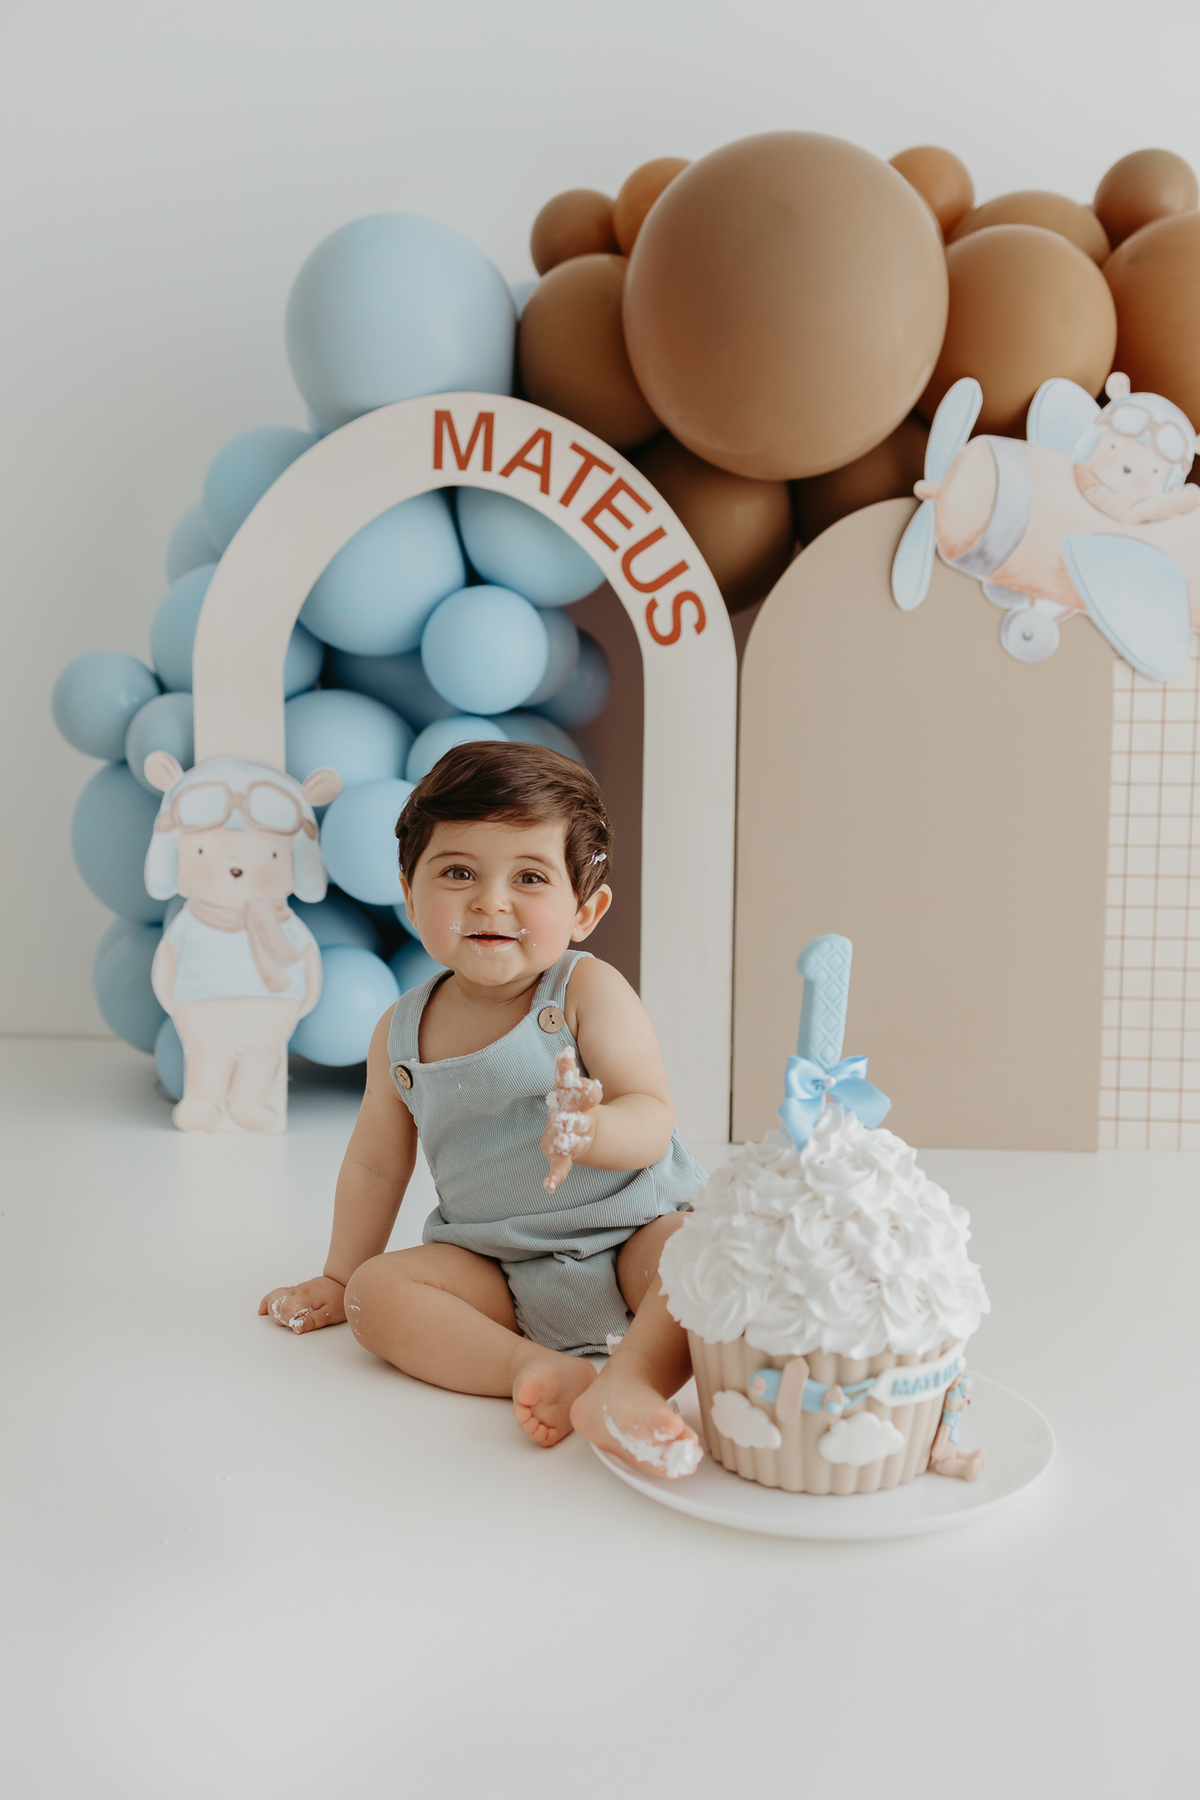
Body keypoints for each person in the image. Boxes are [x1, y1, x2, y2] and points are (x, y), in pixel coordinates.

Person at [260, 740, 706, 1472]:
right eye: (458, 872)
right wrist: (341, 1275)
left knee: (702, 1254)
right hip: (498, 1267)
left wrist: (592, 1129)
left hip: (631, 1237)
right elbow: (375, 1166)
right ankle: (534, 1368)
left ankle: (631, 1382)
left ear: (585, 909)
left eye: (529, 877)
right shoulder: (401, 1032)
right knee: (379, 1295)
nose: (490, 901)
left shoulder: (584, 992)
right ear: (409, 895)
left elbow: (651, 1113)